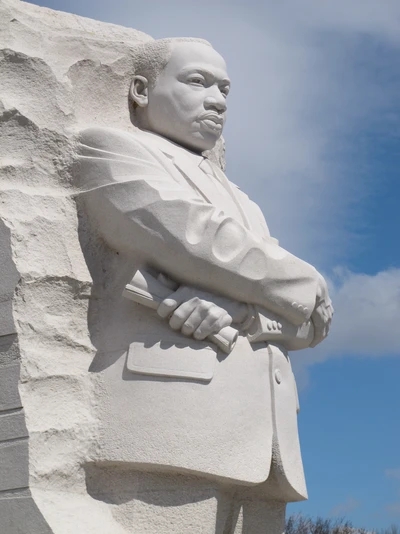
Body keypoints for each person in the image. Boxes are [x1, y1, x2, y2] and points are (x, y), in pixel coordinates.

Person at [75, 37, 333, 534]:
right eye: (198, 82)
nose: (217, 100)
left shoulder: (243, 200)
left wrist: (236, 310)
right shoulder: (110, 148)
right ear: (140, 90)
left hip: (266, 440)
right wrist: (306, 280)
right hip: (171, 421)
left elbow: (312, 323)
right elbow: (194, 237)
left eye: (225, 89)